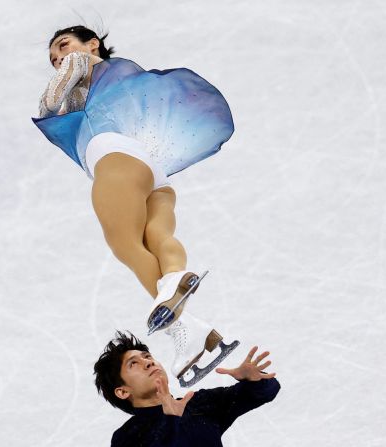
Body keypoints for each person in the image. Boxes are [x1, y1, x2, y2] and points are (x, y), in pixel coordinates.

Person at [33, 26, 236, 381]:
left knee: (125, 244)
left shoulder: (81, 63)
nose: (59, 59)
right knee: (157, 237)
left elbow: (50, 101)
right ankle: (191, 316)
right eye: (53, 58)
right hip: (155, 173)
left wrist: (55, 100)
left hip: (113, 158)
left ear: (92, 43)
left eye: (63, 46)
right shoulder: (117, 76)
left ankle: (181, 328)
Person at [94, 331, 280, 447]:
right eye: (133, 363)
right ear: (122, 391)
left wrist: (254, 380)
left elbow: (269, 389)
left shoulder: (199, 404)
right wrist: (171, 420)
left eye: (147, 356)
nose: (148, 362)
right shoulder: (126, 438)